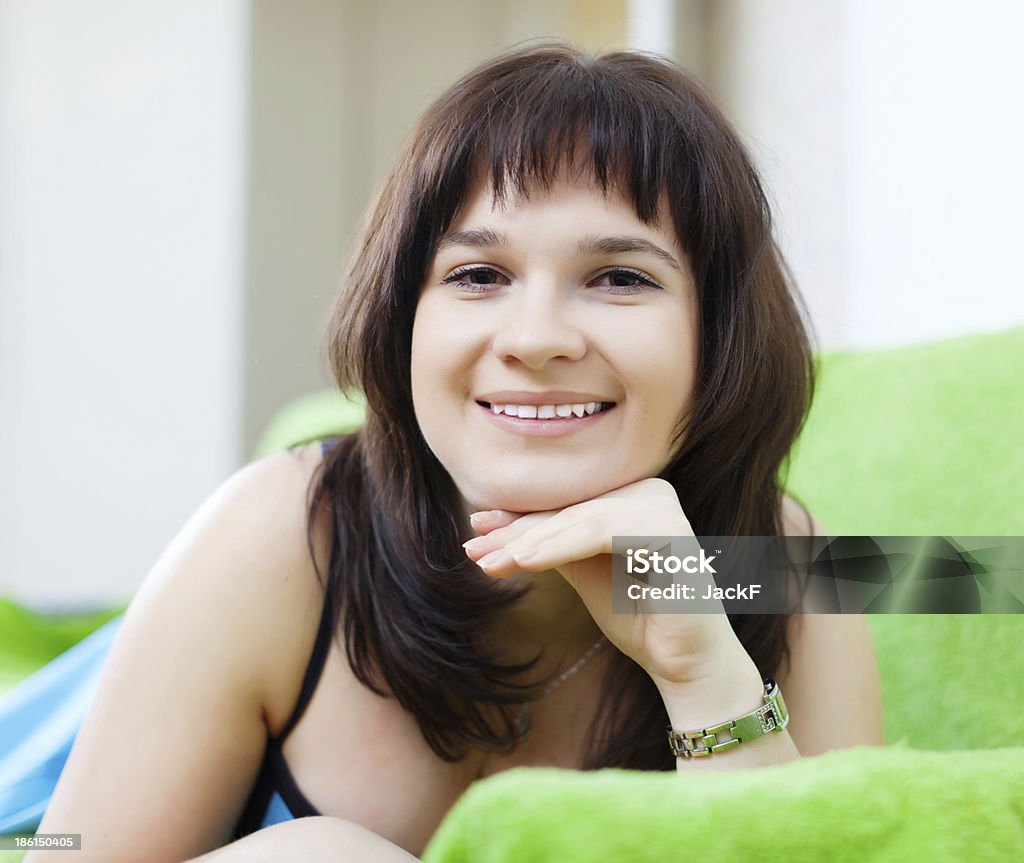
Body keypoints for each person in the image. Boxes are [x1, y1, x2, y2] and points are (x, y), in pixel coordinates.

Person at [27, 43, 883, 862]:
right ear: (404, 318)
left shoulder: (788, 567)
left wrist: (705, 676)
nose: (537, 337)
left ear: (721, 335)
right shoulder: (280, 531)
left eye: (621, 276)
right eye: (478, 275)